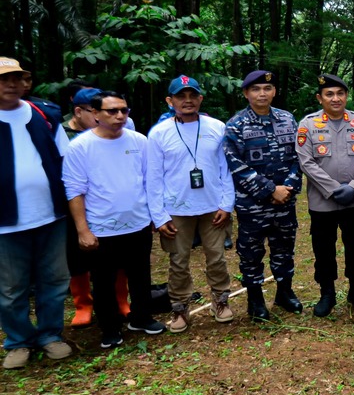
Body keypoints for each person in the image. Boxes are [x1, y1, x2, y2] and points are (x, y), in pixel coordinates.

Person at [63, 90, 165, 349]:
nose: (120, 116)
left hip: (138, 222)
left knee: (140, 275)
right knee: (104, 280)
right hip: (102, 227)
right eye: (112, 111)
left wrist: (155, 215)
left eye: (124, 110)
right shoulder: (80, 147)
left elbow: (149, 180)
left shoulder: (139, 141)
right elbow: (74, 190)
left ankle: (141, 317)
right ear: (95, 114)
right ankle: (109, 327)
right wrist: (82, 230)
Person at [146, 76, 235, 333]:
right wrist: (159, 216)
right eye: (180, 96)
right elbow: (153, 177)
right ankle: (179, 307)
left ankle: (220, 300)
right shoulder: (159, 133)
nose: (187, 101)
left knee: (217, 257)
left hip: (212, 206)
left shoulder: (216, 127)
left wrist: (227, 204)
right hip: (177, 208)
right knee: (178, 260)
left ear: (200, 99)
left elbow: (225, 169)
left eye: (192, 95)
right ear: (170, 101)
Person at [0, 57, 73, 369]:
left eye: (17, 78)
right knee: (11, 286)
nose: (12, 85)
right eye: (4, 80)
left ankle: (50, 335)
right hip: (6, 222)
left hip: (50, 215)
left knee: (54, 279)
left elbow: (66, 161)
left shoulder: (45, 114)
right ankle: (17, 341)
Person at [224, 70, 302, 322]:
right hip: (253, 205)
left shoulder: (288, 119)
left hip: (285, 202)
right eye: (256, 89)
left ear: (274, 92)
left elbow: (299, 157)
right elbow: (235, 165)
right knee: (251, 253)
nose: (262, 93)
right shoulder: (236, 125)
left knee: (283, 249)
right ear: (246, 93)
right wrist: (271, 190)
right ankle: (255, 299)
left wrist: (287, 187)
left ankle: (284, 292)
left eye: (267, 89)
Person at [296, 74, 354, 317]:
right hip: (323, 202)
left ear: (346, 96)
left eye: (340, 93)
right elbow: (306, 161)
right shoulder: (307, 125)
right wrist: (332, 189)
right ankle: (327, 292)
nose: (336, 98)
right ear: (320, 98)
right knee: (323, 248)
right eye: (329, 94)